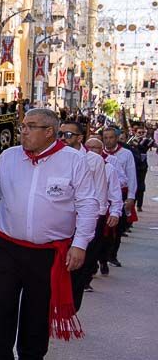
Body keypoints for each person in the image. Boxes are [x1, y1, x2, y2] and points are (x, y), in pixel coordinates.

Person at [0, 108, 97, 360]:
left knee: (36, 313)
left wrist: (80, 244)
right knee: (2, 308)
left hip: (47, 253)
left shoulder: (74, 161)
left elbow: (88, 204)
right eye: (23, 126)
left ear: (49, 132)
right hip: (8, 247)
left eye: (30, 126)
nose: (23, 131)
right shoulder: (9, 157)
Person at [65, 128, 119, 310]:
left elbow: (100, 193)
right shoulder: (59, 156)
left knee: (81, 265)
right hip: (64, 219)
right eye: (61, 133)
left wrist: (111, 213)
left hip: (88, 218)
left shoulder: (98, 162)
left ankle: (71, 307)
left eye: (68, 134)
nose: (63, 137)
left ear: (79, 138)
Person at [99, 125, 137, 270]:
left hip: (120, 195)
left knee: (118, 228)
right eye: (105, 138)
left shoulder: (126, 154)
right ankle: (101, 258)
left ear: (117, 138)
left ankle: (112, 255)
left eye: (111, 137)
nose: (108, 141)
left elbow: (131, 177)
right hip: (103, 196)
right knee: (102, 230)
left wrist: (131, 197)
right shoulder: (99, 154)